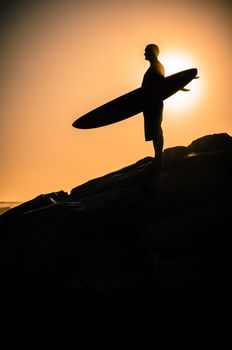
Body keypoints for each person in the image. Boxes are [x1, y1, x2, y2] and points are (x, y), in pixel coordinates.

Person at [142, 44, 165, 167]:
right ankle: (158, 157)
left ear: (152, 52)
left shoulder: (157, 66)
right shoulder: (154, 66)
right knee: (155, 130)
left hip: (154, 103)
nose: (144, 54)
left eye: (146, 51)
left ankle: (158, 158)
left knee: (156, 130)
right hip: (150, 103)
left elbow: (160, 84)